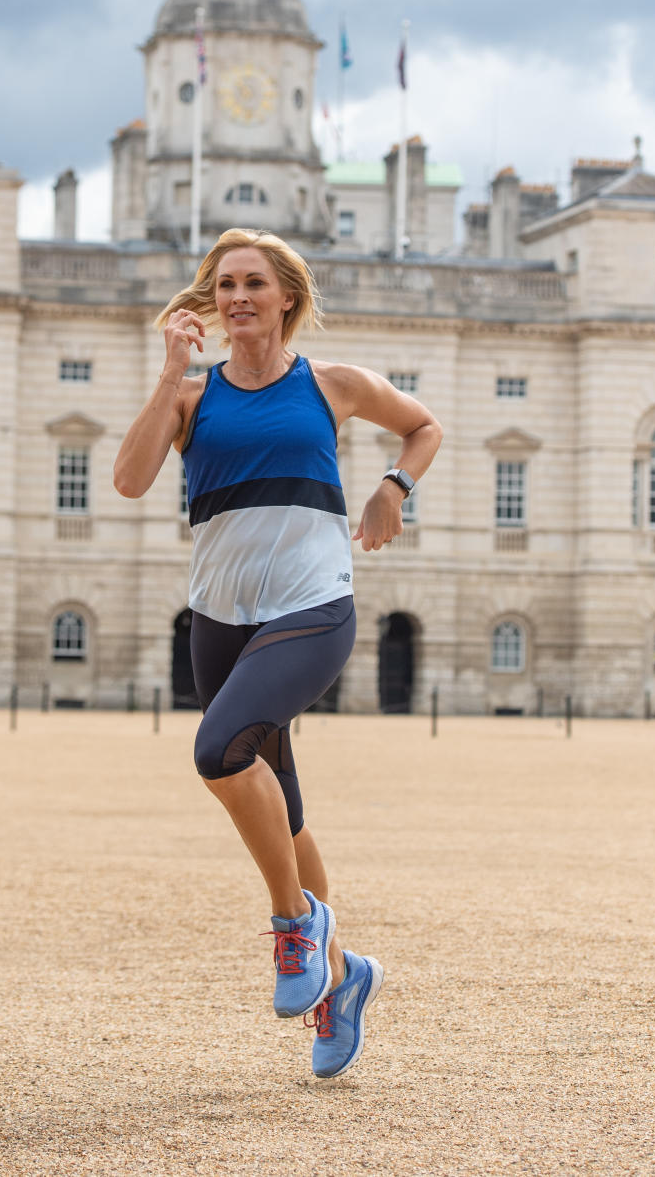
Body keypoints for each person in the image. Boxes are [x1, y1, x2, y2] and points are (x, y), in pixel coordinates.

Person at [113, 227, 442, 1078]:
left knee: (218, 752)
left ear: (286, 296)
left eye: (254, 283)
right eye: (223, 286)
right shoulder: (191, 400)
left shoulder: (330, 385)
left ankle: (296, 925)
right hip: (219, 618)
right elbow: (128, 478)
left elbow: (424, 427)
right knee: (283, 807)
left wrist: (390, 488)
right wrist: (167, 377)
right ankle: (344, 978)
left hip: (313, 604)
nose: (236, 298)